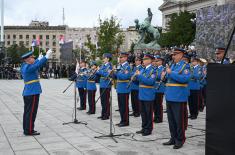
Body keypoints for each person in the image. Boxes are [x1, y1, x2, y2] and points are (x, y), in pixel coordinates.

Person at [162, 47, 190, 149]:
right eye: (173, 54)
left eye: (176, 54)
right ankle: (173, 138)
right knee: (171, 120)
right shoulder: (173, 66)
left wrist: (170, 73)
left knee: (179, 120)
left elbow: (184, 79)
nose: (173, 56)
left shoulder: (185, 66)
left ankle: (180, 139)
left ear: (181, 55)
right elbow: (169, 81)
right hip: (170, 96)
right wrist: (164, 76)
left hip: (178, 96)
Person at [20, 49, 52, 136]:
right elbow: (37, 65)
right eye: (32, 58)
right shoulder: (28, 67)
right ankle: (29, 130)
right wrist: (46, 57)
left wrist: (38, 58)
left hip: (28, 92)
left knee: (27, 112)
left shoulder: (24, 65)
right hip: (32, 92)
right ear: (28, 59)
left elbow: (35, 64)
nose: (34, 59)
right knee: (31, 112)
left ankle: (26, 129)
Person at [135, 54, 156, 136]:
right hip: (142, 93)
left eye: (146, 59)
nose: (144, 60)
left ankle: (148, 129)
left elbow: (150, 82)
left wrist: (139, 76)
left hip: (148, 94)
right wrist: (135, 78)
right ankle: (144, 127)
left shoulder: (153, 70)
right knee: (143, 112)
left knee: (148, 113)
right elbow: (139, 81)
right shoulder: (143, 69)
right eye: (143, 59)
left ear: (150, 60)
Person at [113, 52, 131, 127]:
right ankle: (122, 120)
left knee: (124, 106)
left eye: (122, 57)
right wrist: (113, 72)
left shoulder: (127, 67)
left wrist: (117, 72)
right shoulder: (119, 66)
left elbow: (124, 77)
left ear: (126, 58)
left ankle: (125, 121)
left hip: (124, 88)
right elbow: (116, 76)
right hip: (120, 88)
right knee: (121, 106)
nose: (120, 59)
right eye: (120, 57)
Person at [96, 53, 113, 120]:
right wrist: (100, 71)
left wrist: (100, 71)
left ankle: (106, 115)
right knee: (102, 100)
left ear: (108, 59)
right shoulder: (103, 65)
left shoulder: (109, 66)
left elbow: (107, 74)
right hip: (102, 84)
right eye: (103, 57)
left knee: (106, 100)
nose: (103, 59)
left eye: (104, 57)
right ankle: (103, 113)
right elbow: (99, 72)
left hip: (106, 85)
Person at [154, 55, 165, 123]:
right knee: (154, 104)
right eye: (155, 61)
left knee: (159, 104)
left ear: (161, 61)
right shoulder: (155, 68)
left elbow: (159, 77)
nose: (156, 62)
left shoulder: (163, 69)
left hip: (160, 88)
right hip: (154, 87)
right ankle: (155, 116)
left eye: (157, 61)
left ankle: (159, 118)